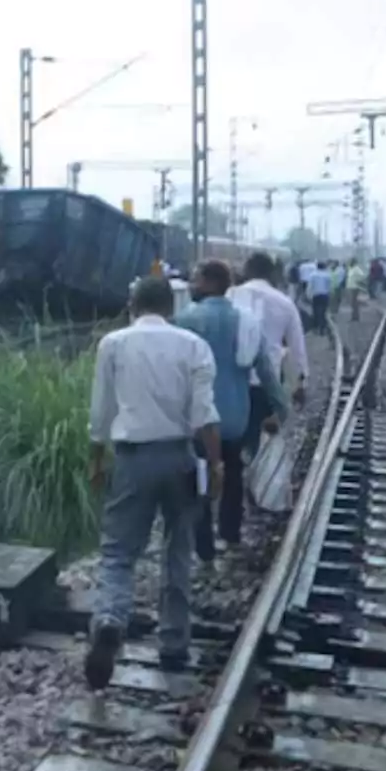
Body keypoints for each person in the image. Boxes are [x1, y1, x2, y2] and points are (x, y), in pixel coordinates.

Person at [84, 275, 222, 688]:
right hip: (180, 457)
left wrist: (96, 459)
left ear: (133, 303)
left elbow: (101, 411)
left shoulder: (113, 344)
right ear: (170, 307)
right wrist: (215, 464)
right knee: (177, 550)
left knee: (118, 552)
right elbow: (204, 416)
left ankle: (110, 618)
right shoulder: (193, 346)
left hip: (132, 459)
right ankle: (174, 645)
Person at [180, 261, 287, 562]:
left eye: (196, 278)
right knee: (233, 473)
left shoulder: (186, 319)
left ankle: (203, 547)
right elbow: (267, 372)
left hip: (197, 418)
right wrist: (281, 408)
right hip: (235, 415)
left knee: (199, 477)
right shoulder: (247, 321)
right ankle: (230, 533)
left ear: (211, 283)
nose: (192, 284)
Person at [230, 251, 308, 458]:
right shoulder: (284, 303)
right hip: (266, 383)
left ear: (247, 271)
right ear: (272, 273)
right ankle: (253, 476)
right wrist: (299, 385)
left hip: (231, 381)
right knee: (258, 437)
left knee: (231, 442)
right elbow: (297, 349)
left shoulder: (229, 296)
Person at [305, 260, 333, 336]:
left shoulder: (312, 275)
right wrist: (329, 294)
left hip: (316, 295)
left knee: (316, 312)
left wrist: (308, 295)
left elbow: (310, 286)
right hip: (325, 295)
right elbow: (330, 286)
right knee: (324, 312)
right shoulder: (327, 275)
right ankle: (323, 327)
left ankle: (317, 327)